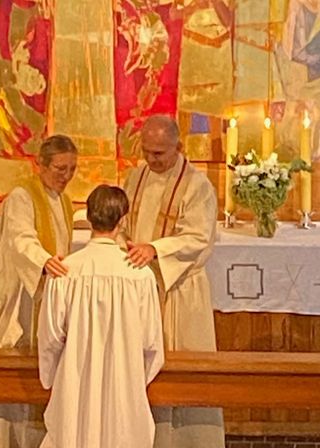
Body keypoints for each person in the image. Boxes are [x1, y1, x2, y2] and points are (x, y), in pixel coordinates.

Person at [0, 134, 78, 448]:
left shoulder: (64, 201)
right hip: (22, 299)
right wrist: (43, 261)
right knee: (13, 370)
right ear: (38, 164)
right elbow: (20, 238)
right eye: (59, 169)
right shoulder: (21, 197)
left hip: (48, 296)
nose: (66, 177)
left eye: (72, 169)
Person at [123, 115, 225, 448]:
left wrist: (155, 249)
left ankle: (188, 441)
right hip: (140, 288)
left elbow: (198, 237)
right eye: (147, 151)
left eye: (160, 154)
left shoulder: (197, 186)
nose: (152, 160)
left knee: (183, 366)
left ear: (179, 147)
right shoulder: (135, 177)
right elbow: (125, 225)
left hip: (179, 289)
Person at [38, 184, 164, 448]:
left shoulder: (65, 271)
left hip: (75, 379)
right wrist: (131, 377)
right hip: (124, 382)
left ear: (88, 217)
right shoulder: (140, 275)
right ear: (123, 221)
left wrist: (51, 378)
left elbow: (49, 337)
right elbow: (151, 342)